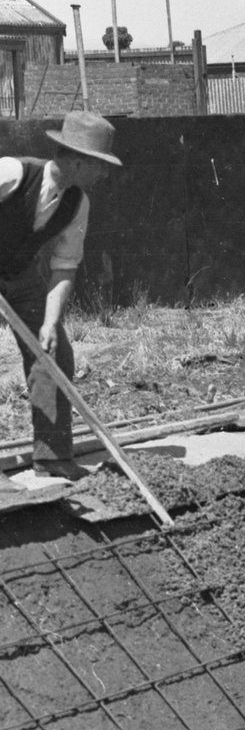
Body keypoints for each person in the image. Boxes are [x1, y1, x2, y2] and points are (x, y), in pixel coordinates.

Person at [0, 110, 121, 480]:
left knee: (53, 355)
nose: (104, 175)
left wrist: (51, 322)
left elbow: (65, 266)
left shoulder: (77, 203)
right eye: (100, 166)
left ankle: (51, 458)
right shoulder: (12, 173)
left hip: (19, 276)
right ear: (79, 161)